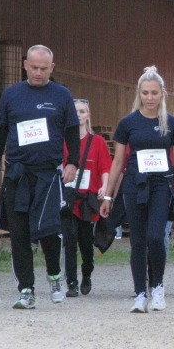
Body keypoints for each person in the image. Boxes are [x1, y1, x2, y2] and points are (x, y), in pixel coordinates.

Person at [0, 45, 80, 309]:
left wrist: (73, 162)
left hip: (47, 175)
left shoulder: (61, 95)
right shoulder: (11, 94)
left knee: (48, 231)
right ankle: (26, 290)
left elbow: (73, 131)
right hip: (17, 174)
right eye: (34, 67)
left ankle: (55, 275)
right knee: (19, 234)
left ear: (52, 68)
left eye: (43, 68)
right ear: (25, 65)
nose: (38, 73)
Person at [100, 66, 174, 313]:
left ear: (162, 94)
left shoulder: (172, 124)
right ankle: (140, 293)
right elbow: (118, 162)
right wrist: (108, 195)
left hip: (161, 185)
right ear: (139, 94)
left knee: (155, 236)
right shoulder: (128, 123)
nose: (149, 98)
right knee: (138, 241)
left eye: (154, 93)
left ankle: (157, 287)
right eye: (145, 93)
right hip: (134, 185)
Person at [61, 99, 112, 297]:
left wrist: (104, 187)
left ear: (88, 115)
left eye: (82, 111)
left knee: (85, 241)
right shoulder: (63, 141)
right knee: (69, 240)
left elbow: (105, 167)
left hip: (87, 199)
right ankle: (71, 283)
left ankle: (87, 274)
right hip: (69, 198)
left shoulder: (97, 141)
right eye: (75, 112)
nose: (79, 115)